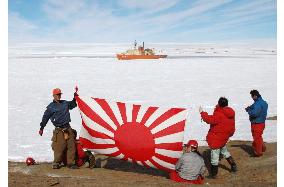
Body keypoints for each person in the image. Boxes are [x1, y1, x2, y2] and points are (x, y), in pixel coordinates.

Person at [39, 88, 78, 169]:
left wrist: (75, 98)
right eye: (57, 94)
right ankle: (56, 163)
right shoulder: (50, 107)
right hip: (59, 130)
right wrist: (42, 127)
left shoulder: (65, 103)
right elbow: (45, 117)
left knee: (71, 146)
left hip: (68, 127)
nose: (59, 96)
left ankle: (70, 163)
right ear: (53, 95)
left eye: (60, 94)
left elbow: (73, 105)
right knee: (59, 147)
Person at [199, 97, 237, 179]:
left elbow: (209, 119)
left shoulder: (219, 114)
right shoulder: (230, 114)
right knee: (224, 151)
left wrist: (202, 113)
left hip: (216, 138)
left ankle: (213, 174)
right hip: (224, 138)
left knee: (214, 157)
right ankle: (233, 165)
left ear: (219, 104)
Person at [245, 90, 268, 157]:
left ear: (255, 96)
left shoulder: (257, 104)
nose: (251, 97)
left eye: (252, 96)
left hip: (257, 123)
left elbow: (254, 113)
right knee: (259, 136)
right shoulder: (263, 102)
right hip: (261, 123)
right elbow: (255, 107)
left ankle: (258, 152)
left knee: (257, 138)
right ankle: (262, 148)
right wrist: (250, 108)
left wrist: (249, 110)